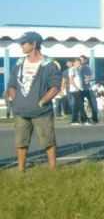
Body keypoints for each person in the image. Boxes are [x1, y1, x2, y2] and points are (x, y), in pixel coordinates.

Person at [7, 32, 62, 172]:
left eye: (24, 43)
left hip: (41, 112)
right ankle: (21, 170)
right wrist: (16, 101)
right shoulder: (19, 63)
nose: (21, 45)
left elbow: (55, 87)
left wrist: (42, 102)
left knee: (48, 140)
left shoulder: (50, 64)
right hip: (21, 111)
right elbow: (11, 85)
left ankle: (53, 169)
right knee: (21, 141)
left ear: (34, 44)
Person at [78, 55, 99, 124]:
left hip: (88, 88)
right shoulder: (77, 68)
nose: (80, 61)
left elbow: (93, 76)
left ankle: (95, 118)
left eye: (81, 59)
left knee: (93, 103)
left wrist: (89, 79)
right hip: (80, 88)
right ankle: (82, 118)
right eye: (79, 60)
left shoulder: (88, 67)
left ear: (85, 60)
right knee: (80, 104)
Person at [69, 58, 89, 125]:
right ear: (74, 63)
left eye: (79, 63)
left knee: (76, 106)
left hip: (80, 89)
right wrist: (76, 88)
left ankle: (74, 121)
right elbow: (71, 80)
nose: (79, 64)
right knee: (81, 105)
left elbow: (79, 80)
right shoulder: (72, 69)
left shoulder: (78, 70)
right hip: (75, 90)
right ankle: (85, 120)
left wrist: (85, 81)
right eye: (77, 63)